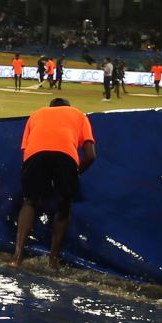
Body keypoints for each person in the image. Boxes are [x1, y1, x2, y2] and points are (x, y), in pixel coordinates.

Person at [13, 97, 96, 268]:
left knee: (30, 201)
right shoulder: (78, 114)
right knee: (64, 204)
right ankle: (53, 259)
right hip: (66, 155)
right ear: (68, 107)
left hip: (34, 155)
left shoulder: (35, 115)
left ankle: (17, 257)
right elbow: (90, 155)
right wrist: (76, 173)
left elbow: (26, 151)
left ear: (50, 107)